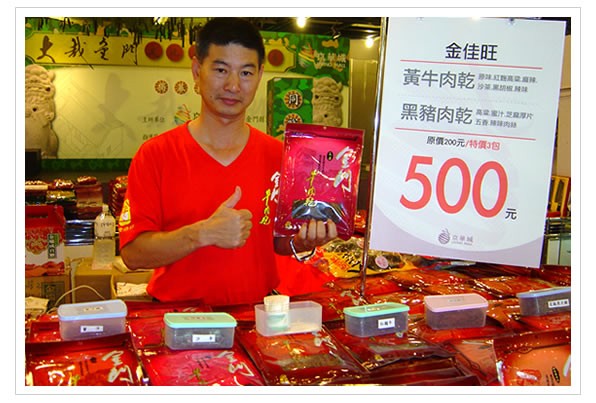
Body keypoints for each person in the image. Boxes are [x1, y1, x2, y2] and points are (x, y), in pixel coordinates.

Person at [118, 17, 337, 306]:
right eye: (221, 70)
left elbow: (277, 243)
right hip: (178, 319)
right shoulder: (155, 155)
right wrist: (202, 234)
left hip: (257, 316)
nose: (233, 85)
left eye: (246, 73)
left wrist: (303, 241)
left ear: (259, 75)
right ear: (197, 71)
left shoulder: (280, 156)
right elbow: (132, 254)